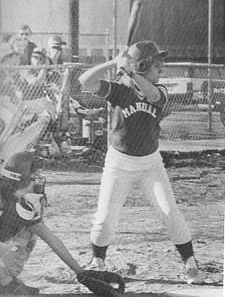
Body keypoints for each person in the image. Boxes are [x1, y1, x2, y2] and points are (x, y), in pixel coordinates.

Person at [78, 40, 204, 285]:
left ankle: (190, 262)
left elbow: (153, 95)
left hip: (150, 164)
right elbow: (85, 81)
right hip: (118, 163)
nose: (162, 70)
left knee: (169, 213)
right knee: (104, 218)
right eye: (157, 66)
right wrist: (113, 63)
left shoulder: (161, 91)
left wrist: (131, 72)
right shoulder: (120, 91)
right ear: (144, 64)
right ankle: (98, 261)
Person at [0, 152, 125, 295]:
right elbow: (53, 241)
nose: (39, 180)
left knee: (25, 234)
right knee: (26, 235)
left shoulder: (11, 198)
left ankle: (5, 280)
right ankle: (6, 283)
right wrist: (80, 272)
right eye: (35, 175)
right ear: (23, 179)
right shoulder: (21, 207)